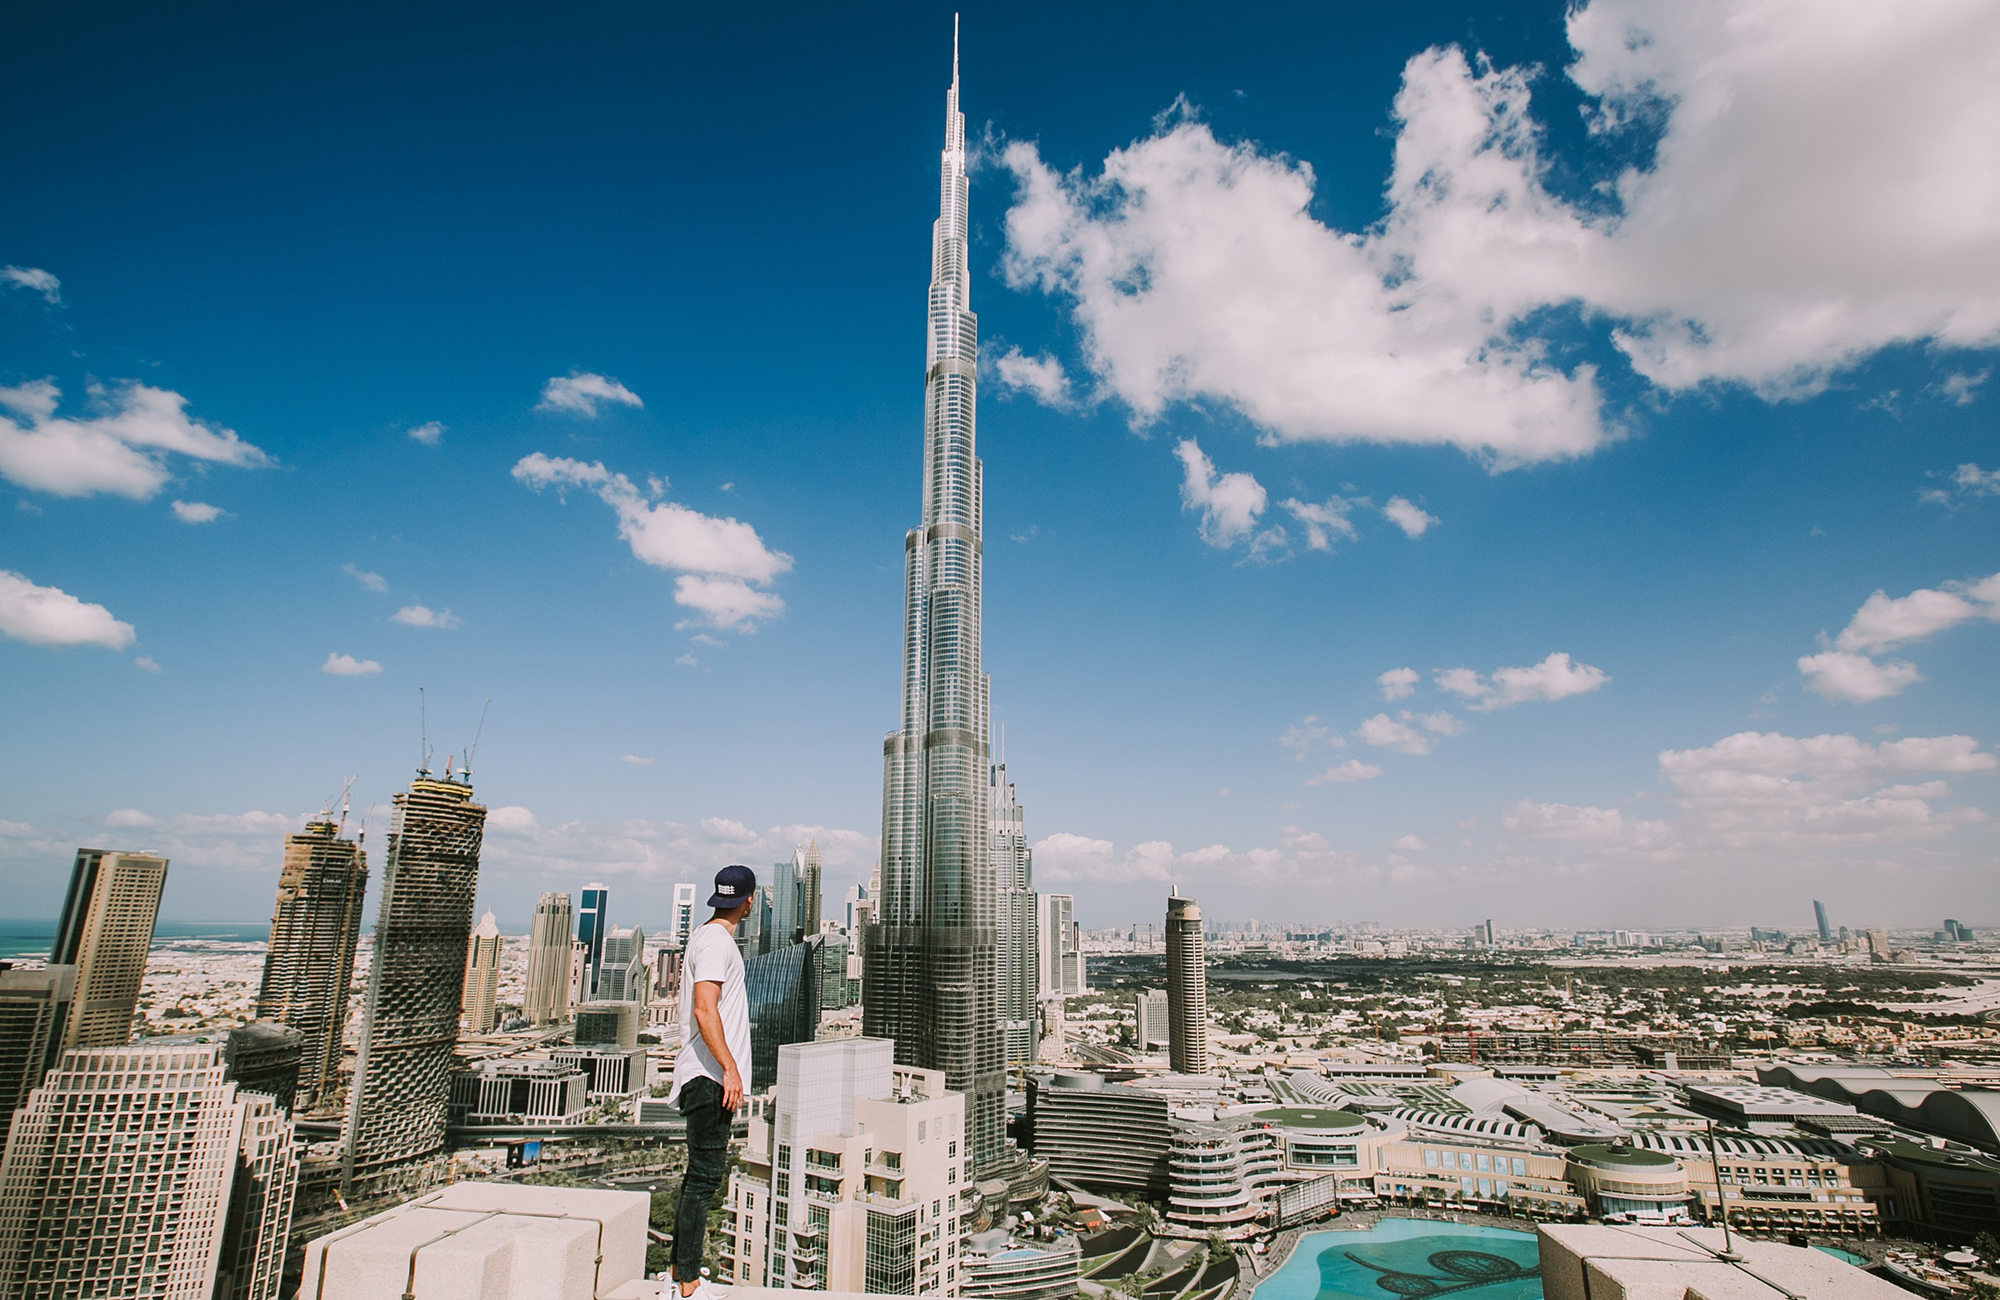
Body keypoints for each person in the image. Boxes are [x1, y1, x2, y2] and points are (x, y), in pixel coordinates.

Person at [665, 863, 756, 1299]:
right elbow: (705, 1008)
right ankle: (687, 1284)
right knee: (704, 1179)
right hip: (708, 1078)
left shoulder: (703, 936)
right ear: (749, 902)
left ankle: (678, 1273)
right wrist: (729, 1068)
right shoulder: (718, 943)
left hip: (703, 1075)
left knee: (696, 1179)